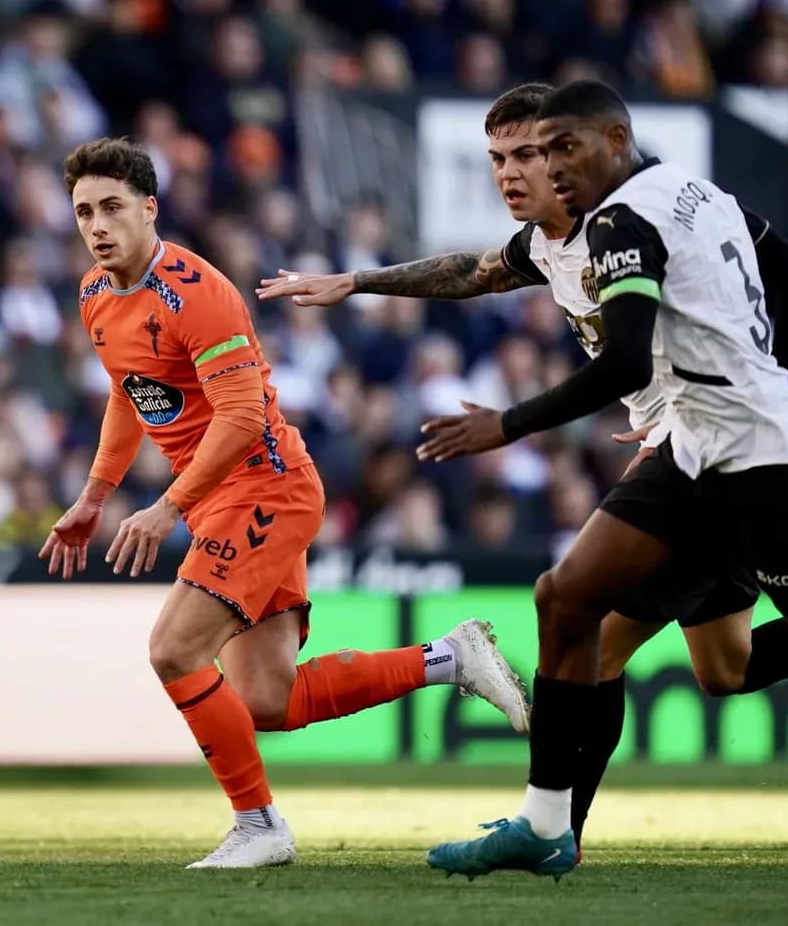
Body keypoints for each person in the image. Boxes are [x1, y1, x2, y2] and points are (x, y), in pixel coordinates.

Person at [258, 83, 788, 852]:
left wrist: (744, 386)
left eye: (537, 153)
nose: (519, 173)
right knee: (727, 667)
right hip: (705, 452)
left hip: (727, 459)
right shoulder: (579, 233)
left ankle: (552, 830)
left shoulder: (624, 225)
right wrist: (359, 280)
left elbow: (772, 298)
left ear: (597, 144)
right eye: (501, 158)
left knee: (585, 621)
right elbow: (472, 271)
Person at [40, 137, 529, 870]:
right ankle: (448, 657)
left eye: (112, 208)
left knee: (173, 650)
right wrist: (94, 495)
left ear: (149, 209)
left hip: (265, 487)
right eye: (84, 211)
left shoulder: (196, 293)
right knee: (267, 700)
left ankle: (259, 825)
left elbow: (239, 420)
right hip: (221, 501)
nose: (97, 225)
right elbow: (127, 394)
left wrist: (165, 507)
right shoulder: (94, 296)